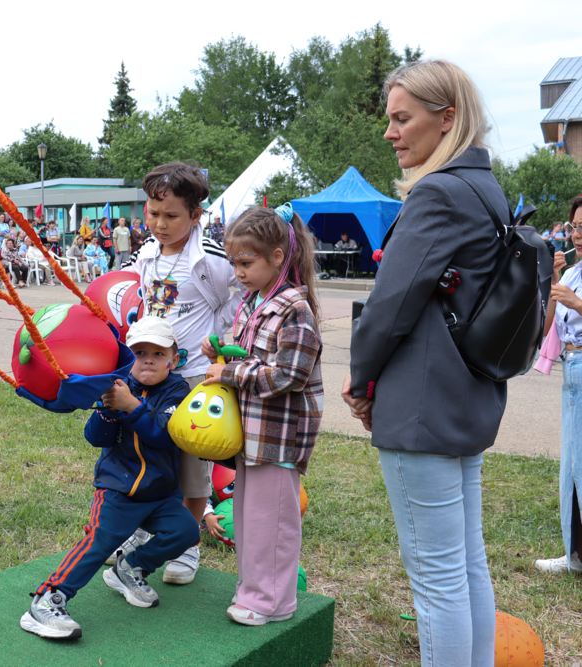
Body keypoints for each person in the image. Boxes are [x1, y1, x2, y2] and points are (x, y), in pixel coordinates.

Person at [344, 60, 506, 666]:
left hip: (422, 404)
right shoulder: (485, 189)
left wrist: (361, 381)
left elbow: (389, 304)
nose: (390, 132)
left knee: (437, 581)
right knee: (467, 566)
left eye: (401, 118)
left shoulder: (438, 193)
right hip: (467, 394)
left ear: (447, 118)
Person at [19, 316, 200, 640]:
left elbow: (163, 434)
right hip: (118, 489)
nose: (148, 360)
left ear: (174, 359)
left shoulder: (178, 391)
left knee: (185, 531)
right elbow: (95, 437)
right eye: (140, 352)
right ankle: (47, 600)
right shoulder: (116, 386)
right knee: (98, 542)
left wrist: (132, 408)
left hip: (159, 495)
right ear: (128, 358)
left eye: (158, 354)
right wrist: (107, 410)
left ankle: (131, 568)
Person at [118, 162, 243, 585]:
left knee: (192, 469)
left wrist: (218, 337)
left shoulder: (210, 259)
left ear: (195, 215)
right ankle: (140, 534)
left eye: (171, 216)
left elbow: (242, 292)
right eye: (153, 213)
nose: (159, 223)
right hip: (149, 375)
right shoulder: (147, 253)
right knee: (145, 457)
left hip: (191, 379)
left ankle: (186, 547)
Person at [201, 203, 322, 626]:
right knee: (252, 520)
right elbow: (251, 356)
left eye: (246, 262)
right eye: (234, 262)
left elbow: (290, 374)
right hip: (252, 434)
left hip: (278, 435)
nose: (237, 271)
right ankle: (254, 592)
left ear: (277, 257)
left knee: (274, 524)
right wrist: (221, 352)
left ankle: (272, 602)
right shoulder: (254, 302)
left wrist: (230, 370)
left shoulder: (294, 309)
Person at [536, 195, 582, 576]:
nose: (578, 235)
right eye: (574, 227)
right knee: (571, 464)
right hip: (572, 367)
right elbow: (550, 322)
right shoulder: (571, 274)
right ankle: (573, 554)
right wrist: (554, 283)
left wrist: (577, 302)